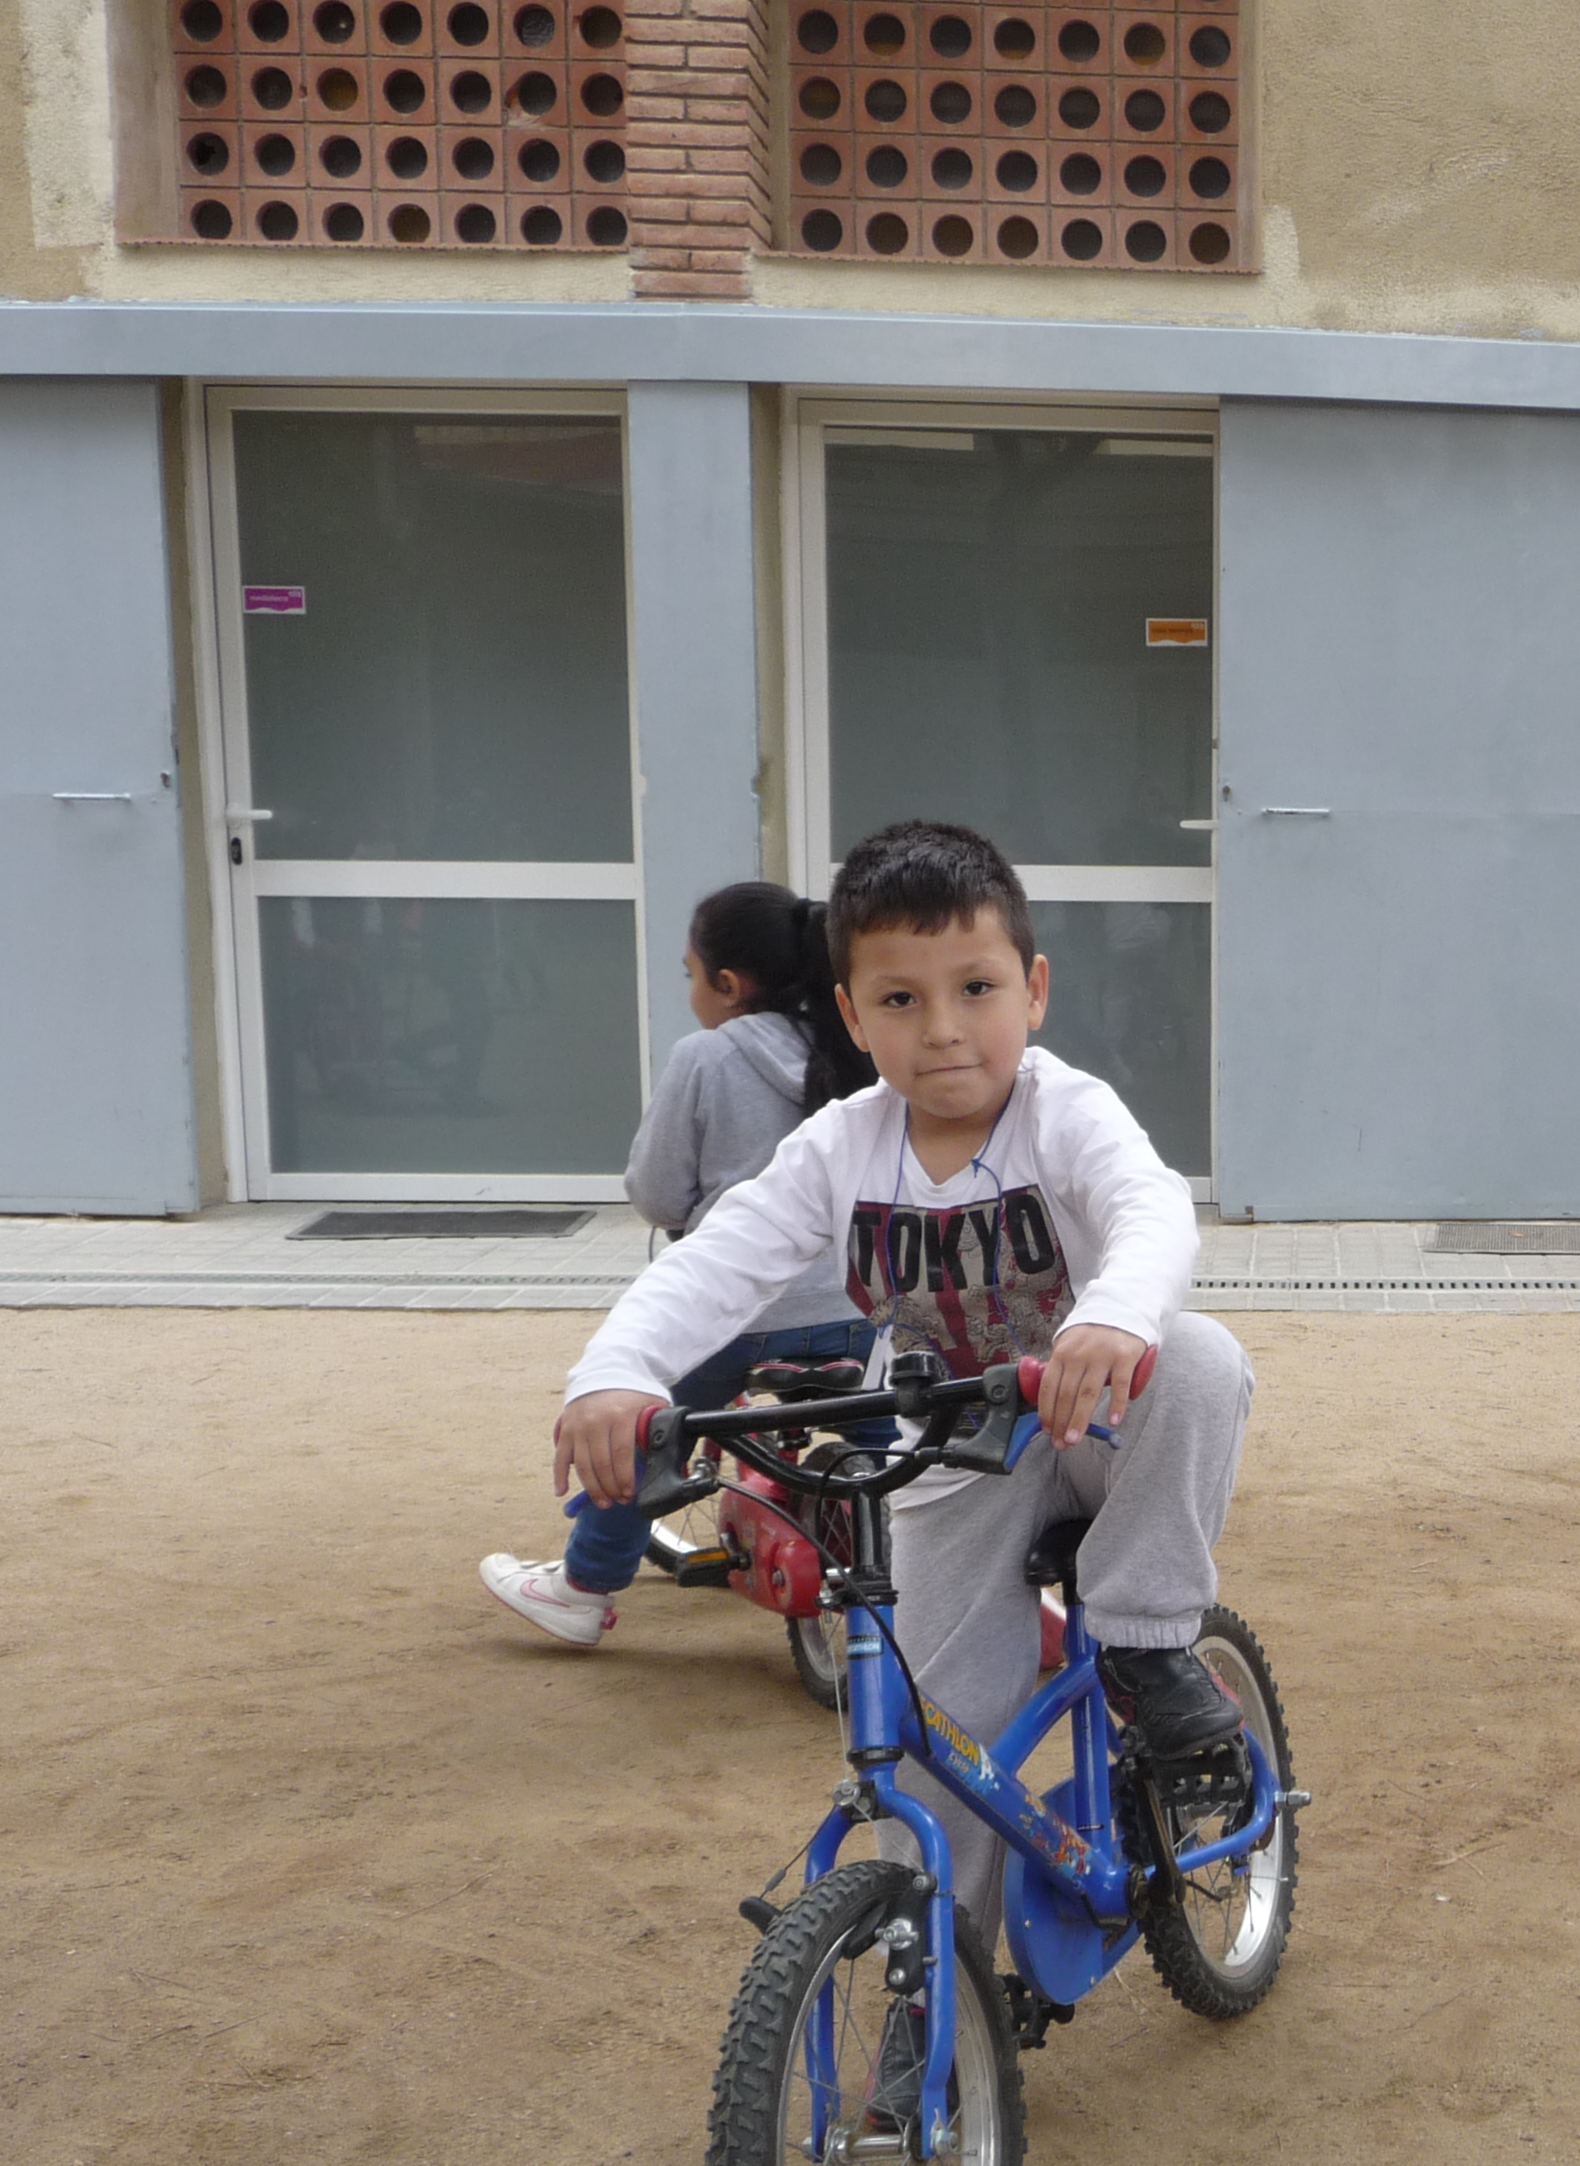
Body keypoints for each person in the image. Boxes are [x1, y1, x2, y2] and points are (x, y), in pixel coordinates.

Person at [547, 821, 1255, 1948]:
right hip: (952, 1457)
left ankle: (1145, 1640)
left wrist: (1113, 1316)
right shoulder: (842, 1146)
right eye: (899, 1000)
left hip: (1090, 1420)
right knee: (937, 1737)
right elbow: (714, 1262)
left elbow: (1149, 1205)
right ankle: (941, 1973)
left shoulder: (1064, 1110)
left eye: (975, 988)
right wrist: (616, 1374)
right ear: (850, 1014)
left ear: (1033, 990)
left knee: (1202, 1356)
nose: (943, 1030)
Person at [479, 882, 880, 1643]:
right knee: (900, 1441)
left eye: (690, 974)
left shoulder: (706, 1056)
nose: (690, 991)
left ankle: (585, 1586)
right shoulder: (859, 1046)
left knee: (648, 1423)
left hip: (738, 1318)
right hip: (861, 1315)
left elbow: (658, 1192)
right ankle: (955, 1578)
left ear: (727, 985)